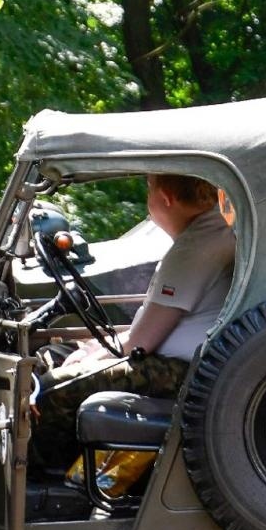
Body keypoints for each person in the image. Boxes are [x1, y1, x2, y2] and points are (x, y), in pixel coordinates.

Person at [30, 174, 235, 468]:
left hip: (182, 372)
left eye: (149, 188)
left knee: (51, 389)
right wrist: (92, 349)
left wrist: (90, 358)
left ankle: (46, 475)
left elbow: (139, 344)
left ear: (165, 198)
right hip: (189, 363)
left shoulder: (195, 246)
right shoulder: (216, 228)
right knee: (54, 353)